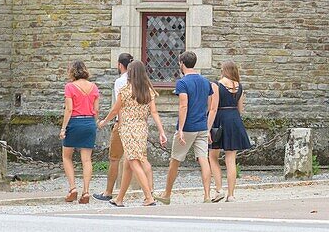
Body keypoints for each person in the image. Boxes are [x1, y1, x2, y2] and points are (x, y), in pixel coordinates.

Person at [98, 61, 166, 207]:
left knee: (134, 162)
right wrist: (161, 131)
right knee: (128, 164)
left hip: (127, 129)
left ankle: (148, 197)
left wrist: (104, 121)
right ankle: (120, 198)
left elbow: (115, 110)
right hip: (142, 128)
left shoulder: (125, 90)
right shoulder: (148, 90)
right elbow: (154, 112)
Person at [153, 50, 216, 204]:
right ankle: (207, 195)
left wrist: (180, 129)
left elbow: (183, 106)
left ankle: (167, 194)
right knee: (203, 159)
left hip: (188, 127)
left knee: (175, 160)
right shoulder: (205, 82)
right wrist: (206, 125)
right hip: (202, 126)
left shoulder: (182, 82)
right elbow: (209, 105)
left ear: (182, 63)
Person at [94, 53, 146, 202]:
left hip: (123, 123)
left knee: (114, 158)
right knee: (139, 159)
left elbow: (119, 106)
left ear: (120, 65)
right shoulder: (141, 81)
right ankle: (147, 191)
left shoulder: (120, 82)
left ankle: (109, 191)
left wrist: (110, 122)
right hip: (138, 124)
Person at [208, 60, 252, 202]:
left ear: (223, 70)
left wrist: (208, 128)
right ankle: (231, 194)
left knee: (212, 156)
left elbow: (213, 108)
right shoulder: (240, 87)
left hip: (220, 119)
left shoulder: (216, 85)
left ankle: (219, 189)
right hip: (234, 120)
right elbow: (240, 109)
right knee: (231, 159)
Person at [60, 60, 99, 203]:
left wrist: (63, 128)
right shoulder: (94, 87)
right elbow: (96, 110)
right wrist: (95, 123)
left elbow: (69, 109)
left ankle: (72, 188)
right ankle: (86, 191)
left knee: (67, 156)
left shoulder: (70, 87)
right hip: (89, 122)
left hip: (75, 122)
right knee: (87, 159)